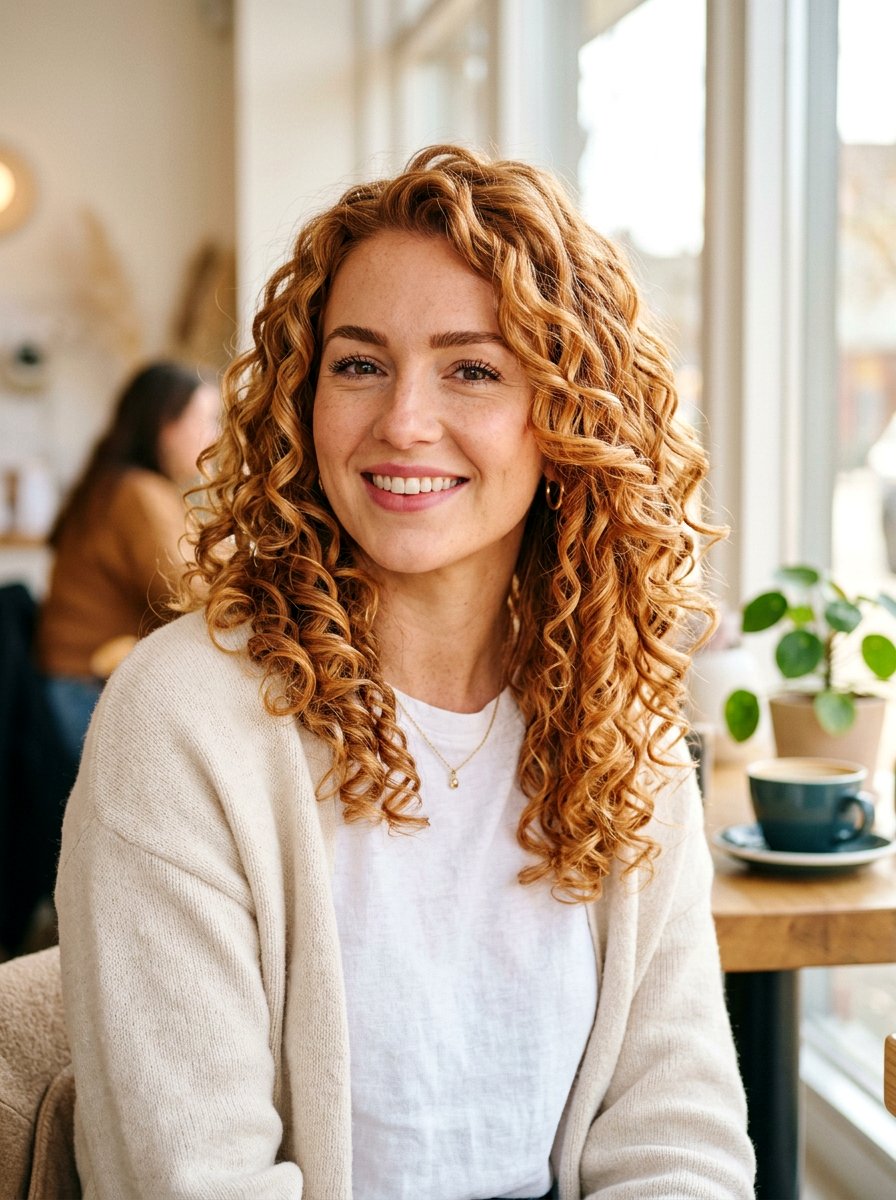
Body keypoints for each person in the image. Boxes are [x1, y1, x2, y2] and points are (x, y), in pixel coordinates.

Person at [55, 146, 755, 1199]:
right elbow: (193, 1178)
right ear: (303, 395)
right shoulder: (183, 718)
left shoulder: (621, 719)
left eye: (470, 367)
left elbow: (675, 1138)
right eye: (359, 362)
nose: (402, 421)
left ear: (568, 413)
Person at [36, 361, 220, 760]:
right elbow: (186, 593)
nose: (214, 438)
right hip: (86, 684)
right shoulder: (138, 493)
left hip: (65, 679)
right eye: (206, 421)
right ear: (167, 427)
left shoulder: (113, 482)